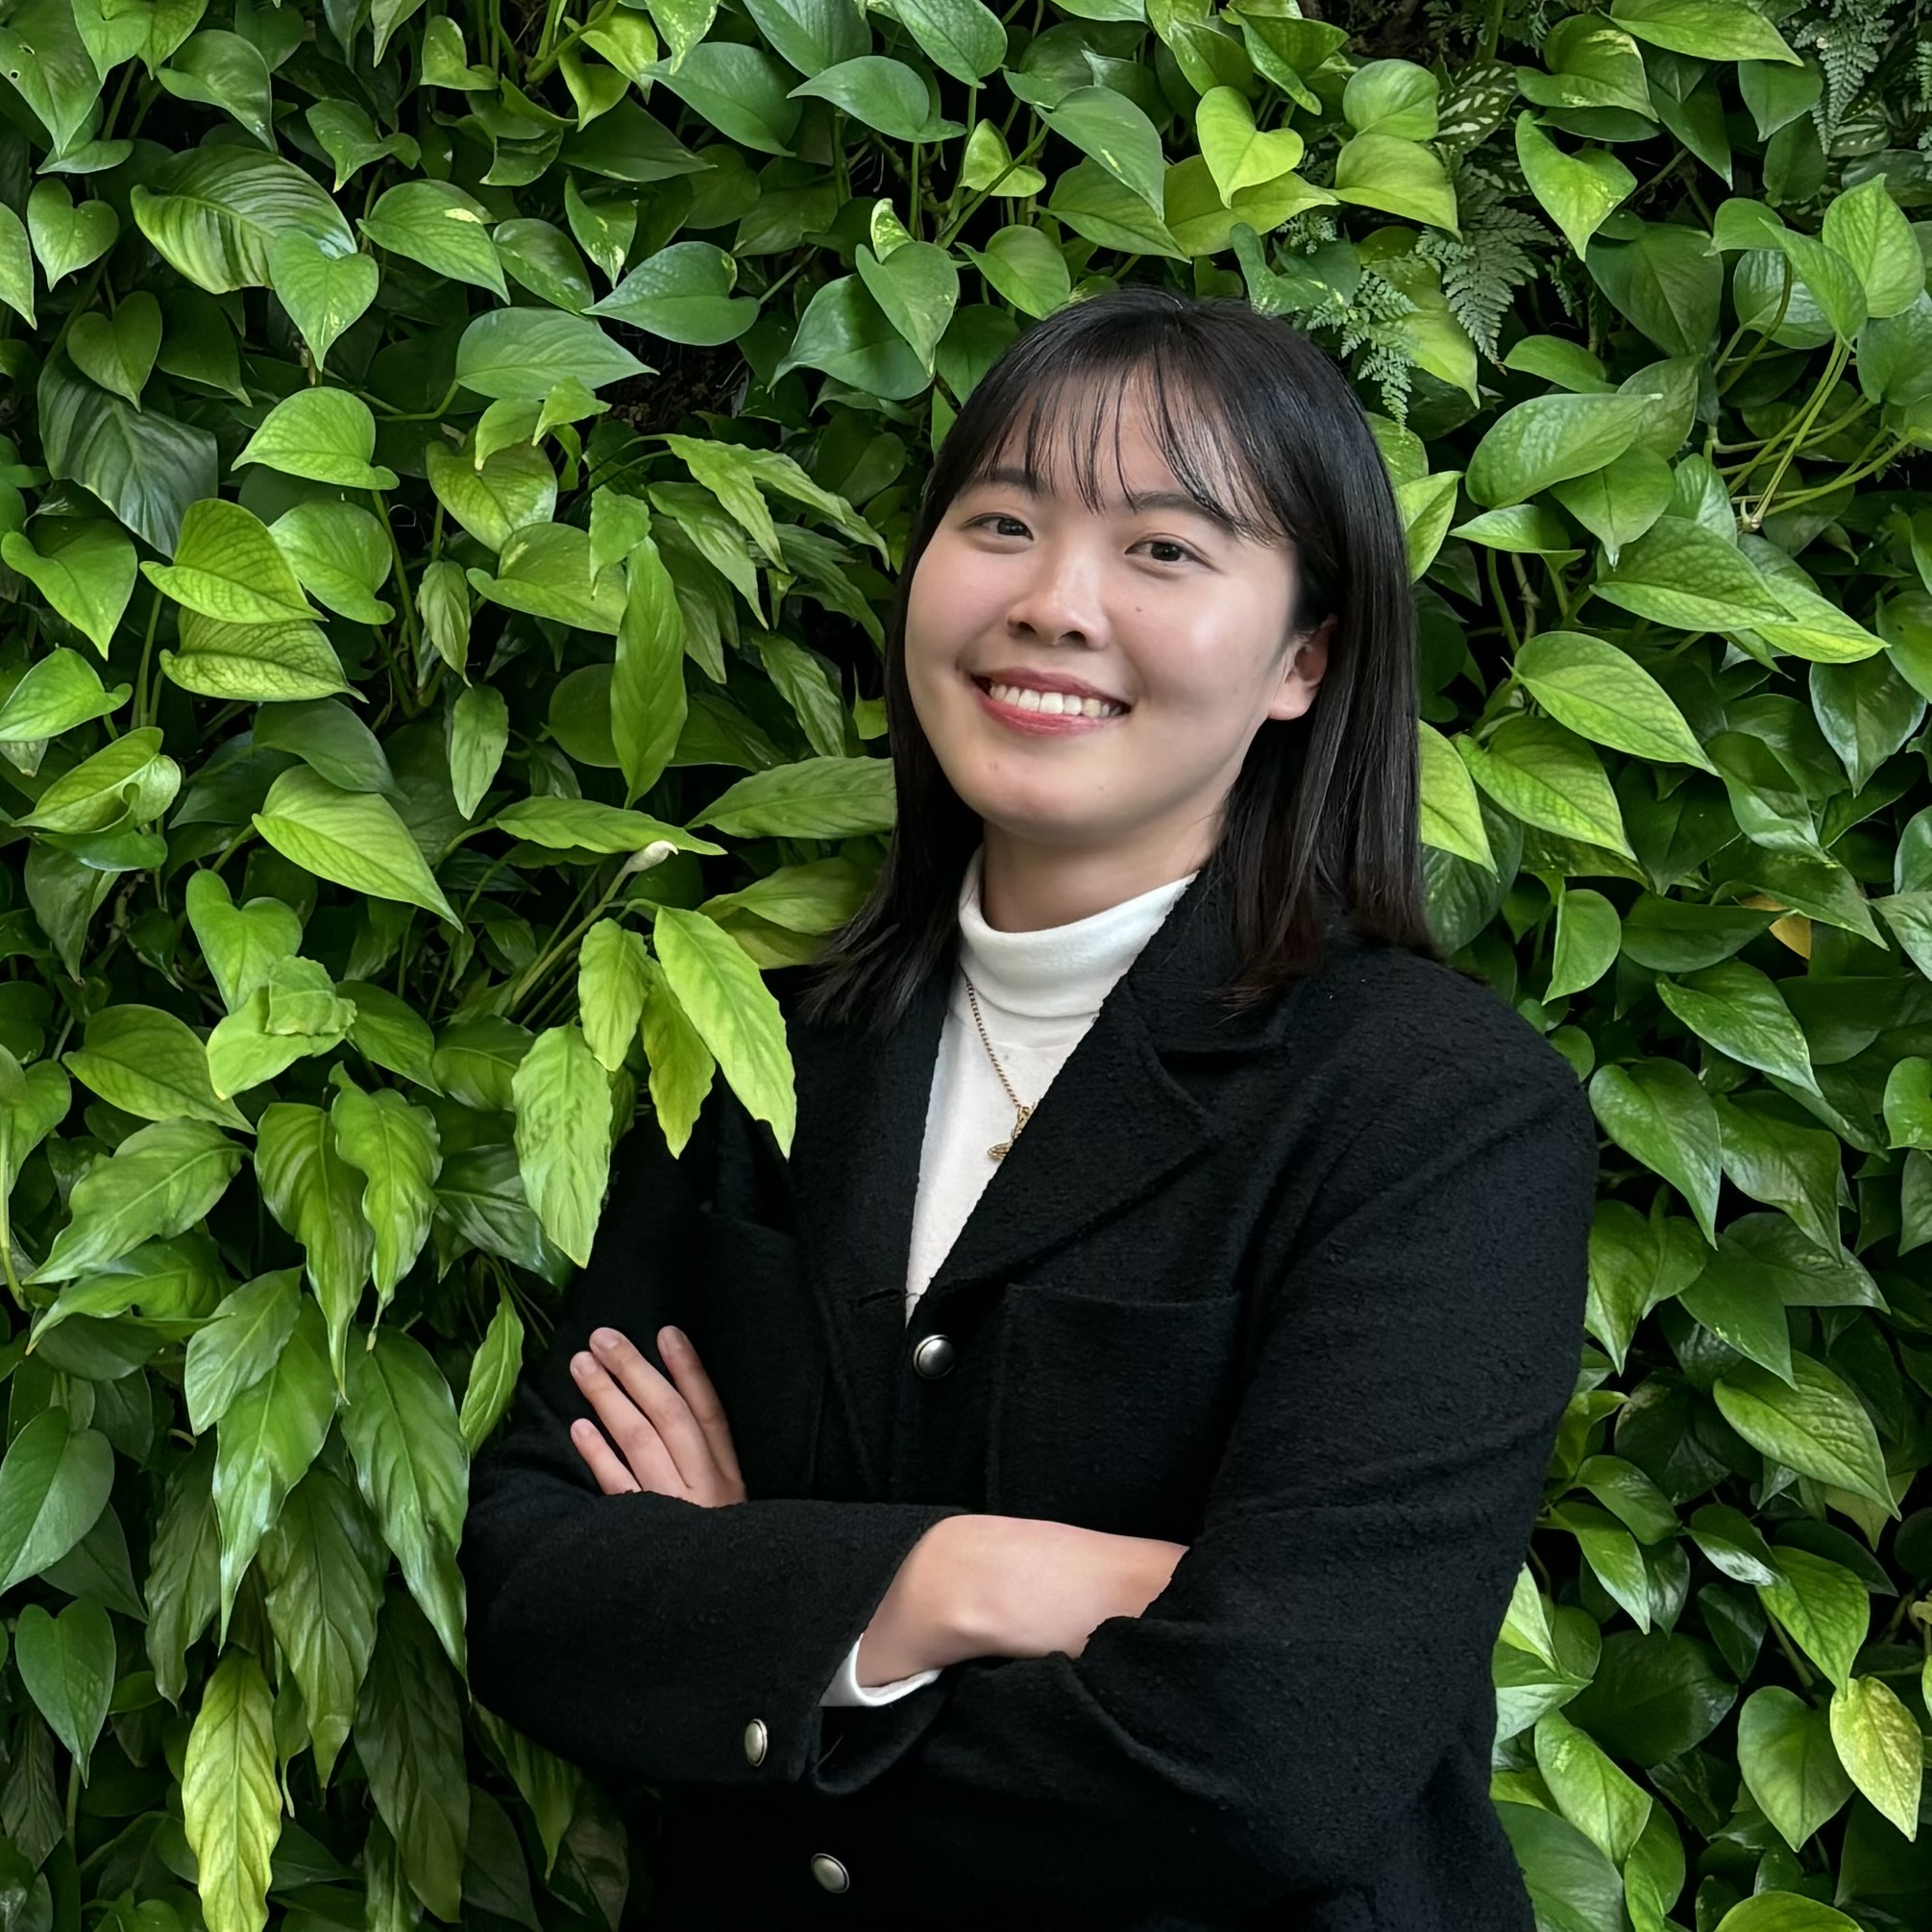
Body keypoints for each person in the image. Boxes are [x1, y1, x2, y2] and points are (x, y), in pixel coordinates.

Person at [460, 286, 1600, 1929]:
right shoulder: (767, 1052)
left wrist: (760, 1612)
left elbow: (1276, 1758)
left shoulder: (1438, 1117)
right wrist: (961, 1579)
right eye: (1002, 522)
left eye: (1164, 549)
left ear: (1303, 660)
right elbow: (536, 1587)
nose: (1054, 603)